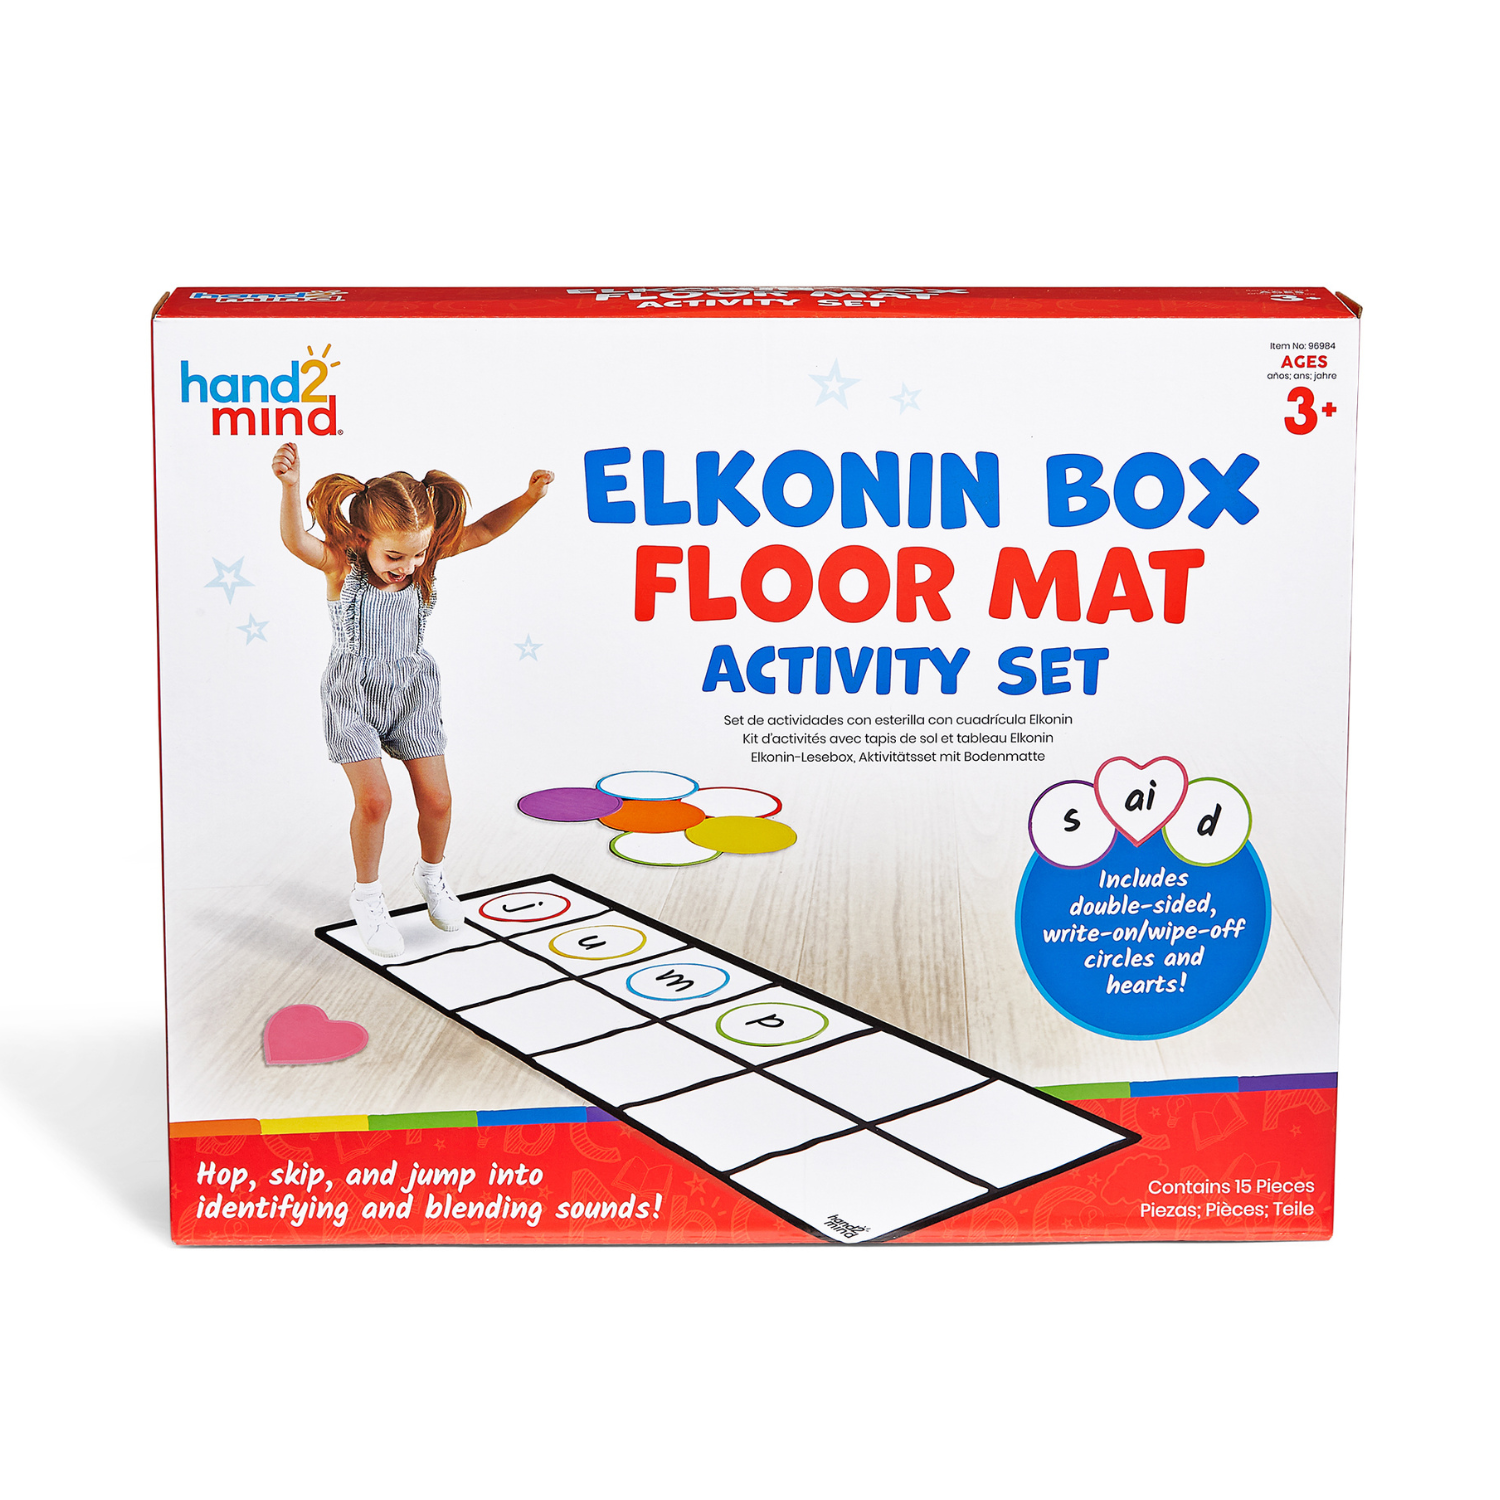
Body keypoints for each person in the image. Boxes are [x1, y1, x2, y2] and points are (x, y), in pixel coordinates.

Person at [273, 441, 553, 956]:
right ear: (364, 539)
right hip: (353, 695)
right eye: (395, 556)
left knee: (439, 800)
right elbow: (296, 541)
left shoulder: (422, 564)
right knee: (376, 801)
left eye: (419, 553)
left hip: (413, 693)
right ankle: (367, 897)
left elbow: (485, 530)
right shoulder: (342, 566)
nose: (408, 566)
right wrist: (291, 488)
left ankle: (431, 874)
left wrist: (528, 498)